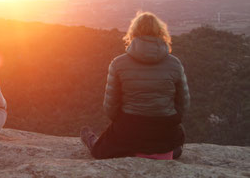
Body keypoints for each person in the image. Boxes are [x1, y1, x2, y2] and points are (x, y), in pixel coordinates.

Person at [80, 11, 190, 160]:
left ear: (133, 33)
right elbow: (183, 104)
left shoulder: (118, 63)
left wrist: (123, 123)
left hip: (130, 128)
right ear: (161, 32)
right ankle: (159, 152)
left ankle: (92, 140)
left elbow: (110, 106)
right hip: (164, 129)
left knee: (99, 151)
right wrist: (168, 120)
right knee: (175, 145)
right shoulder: (174, 64)